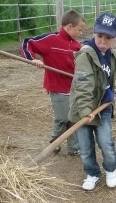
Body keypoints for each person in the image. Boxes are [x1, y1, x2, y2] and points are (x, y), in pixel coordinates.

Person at [69, 12, 116, 191]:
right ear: (94, 33)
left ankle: (111, 169)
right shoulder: (86, 55)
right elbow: (83, 85)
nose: (102, 42)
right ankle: (92, 173)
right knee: (85, 146)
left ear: (115, 38)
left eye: (108, 38)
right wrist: (84, 110)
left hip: (103, 106)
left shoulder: (113, 56)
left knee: (105, 141)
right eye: (99, 36)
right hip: (82, 109)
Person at [21, 10, 86, 156]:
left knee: (74, 118)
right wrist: (32, 59)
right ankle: (55, 141)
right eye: (79, 30)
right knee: (63, 118)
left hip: (73, 87)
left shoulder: (76, 45)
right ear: (69, 26)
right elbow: (28, 42)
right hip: (57, 87)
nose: (81, 33)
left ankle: (73, 148)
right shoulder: (52, 40)